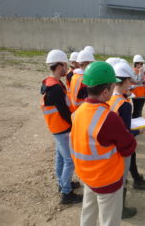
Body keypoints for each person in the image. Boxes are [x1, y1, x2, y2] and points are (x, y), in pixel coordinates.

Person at [70, 61, 137, 226]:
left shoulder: (78, 112)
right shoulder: (108, 117)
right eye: (113, 85)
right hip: (106, 179)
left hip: (87, 175)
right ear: (106, 91)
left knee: (88, 213)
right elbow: (128, 146)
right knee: (109, 221)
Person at [40, 49, 82, 204]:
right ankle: (66, 193)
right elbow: (64, 111)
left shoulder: (49, 83)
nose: (67, 67)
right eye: (65, 65)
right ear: (59, 66)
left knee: (60, 157)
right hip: (62, 128)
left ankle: (62, 183)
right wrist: (73, 125)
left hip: (56, 128)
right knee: (69, 160)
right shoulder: (56, 88)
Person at [107, 61, 145, 219]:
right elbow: (127, 132)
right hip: (122, 148)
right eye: (129, 80)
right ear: (124, 82)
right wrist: (138, 130)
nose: (131, 83)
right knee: (122, 178)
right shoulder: (125, 105)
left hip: (110, 146)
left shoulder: (111, 98)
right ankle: (121, 210)